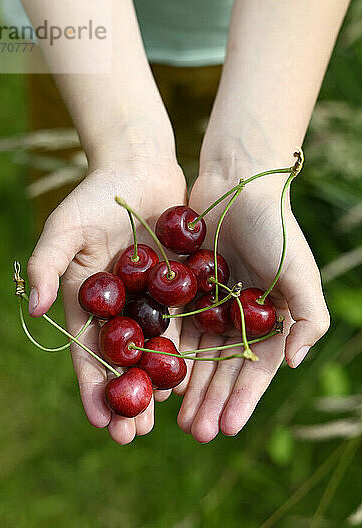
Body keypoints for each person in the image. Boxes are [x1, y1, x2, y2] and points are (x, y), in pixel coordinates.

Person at [20, 0, 349, 445]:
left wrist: (246, 169)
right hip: (68, 35)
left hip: (258, 53)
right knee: (59, 160)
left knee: (199, 152)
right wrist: (123, 151)